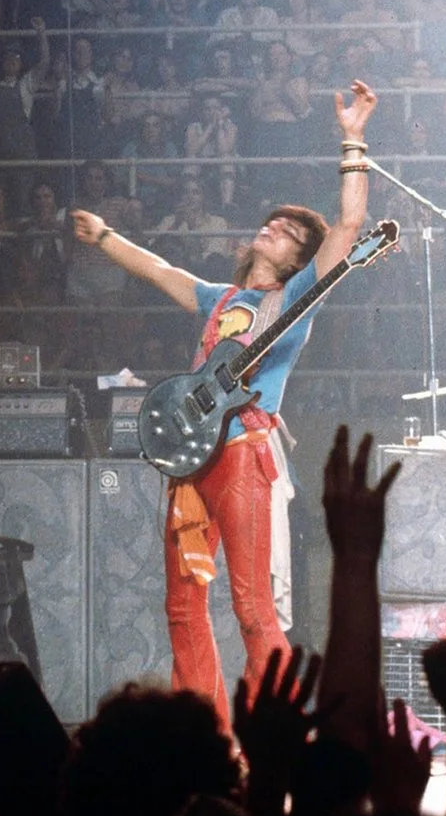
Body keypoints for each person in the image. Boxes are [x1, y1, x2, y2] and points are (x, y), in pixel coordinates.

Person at [65, 81, 379, 722]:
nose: (274, 228)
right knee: (182, 603)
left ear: (299, 257)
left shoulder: (293, 302)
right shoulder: (217, 297)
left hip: (243, 454)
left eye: (290, 231)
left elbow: (348, 224)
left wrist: (352, 138)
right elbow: (158, 271)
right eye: (274, 222)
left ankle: (274, 733)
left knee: (251, 606)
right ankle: (201, 730)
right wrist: (103, 236)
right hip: (191, 457)